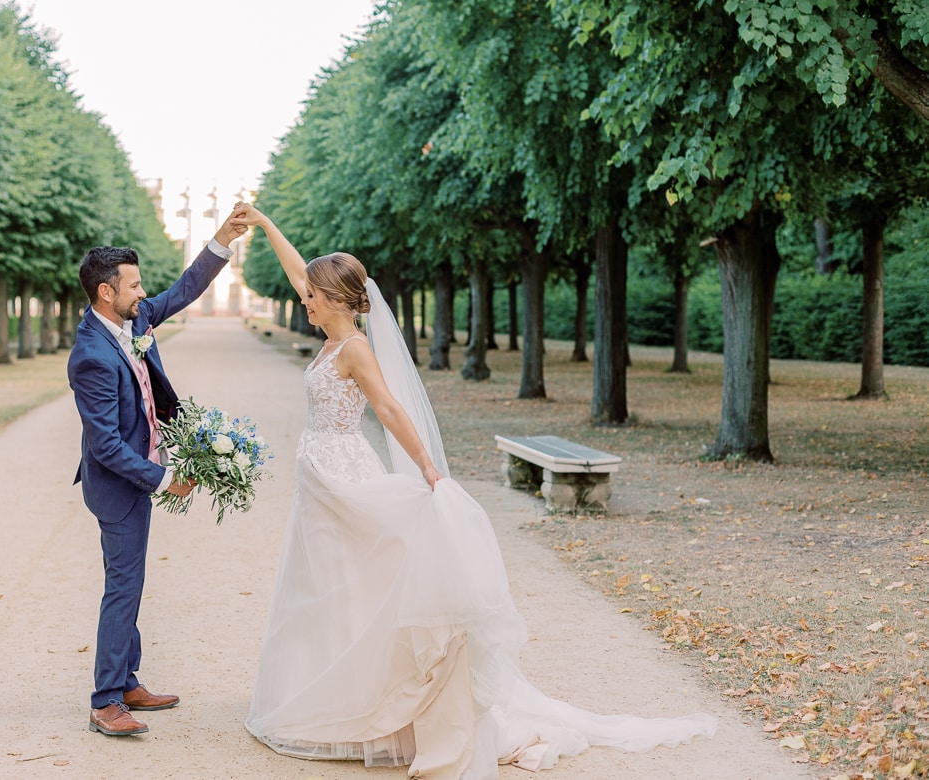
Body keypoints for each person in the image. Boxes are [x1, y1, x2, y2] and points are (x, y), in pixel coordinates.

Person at [231, 203, 718, 779]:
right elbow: (297, 272)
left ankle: (377, 711)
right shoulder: (332, 329)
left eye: (311, 295)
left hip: (345, 477)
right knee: (327, 588)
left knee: (354, 587)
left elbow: (387, 408)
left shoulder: (355, 348)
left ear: (335, 300)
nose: (302, 298)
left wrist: (428, 470)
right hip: (320, 480)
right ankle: (335, 699)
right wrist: (263, 224)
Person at [67, 214, 245, 737]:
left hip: (136, 478)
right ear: (106, 292)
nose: (144, 292)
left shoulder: (134, 323)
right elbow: (105, 445)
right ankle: (105, 700)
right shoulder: (91, 356)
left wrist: (222, 241)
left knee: (131, 581)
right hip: (119, 487)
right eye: (134, 284)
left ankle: (127, 682)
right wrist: (164, 479)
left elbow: (185, 289)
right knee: (122, 587)